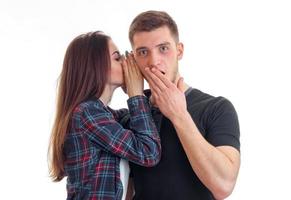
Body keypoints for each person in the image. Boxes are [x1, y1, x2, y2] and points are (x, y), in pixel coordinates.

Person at [127, 11, 241, 200]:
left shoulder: (216, 108)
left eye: (163, 48)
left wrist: (178, 114)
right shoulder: (132, 116)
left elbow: (224, 185)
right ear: (134, 59)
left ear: (179, 51)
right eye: (143, 52)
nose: (154, 61)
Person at [48, 31, 161, 200]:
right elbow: (148, 152)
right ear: (97, 66)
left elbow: (141, 121)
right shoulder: (87, 113)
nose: (126, 62)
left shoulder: (105, 115)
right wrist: (135, 95)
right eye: (117, 58)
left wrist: (140, 96)